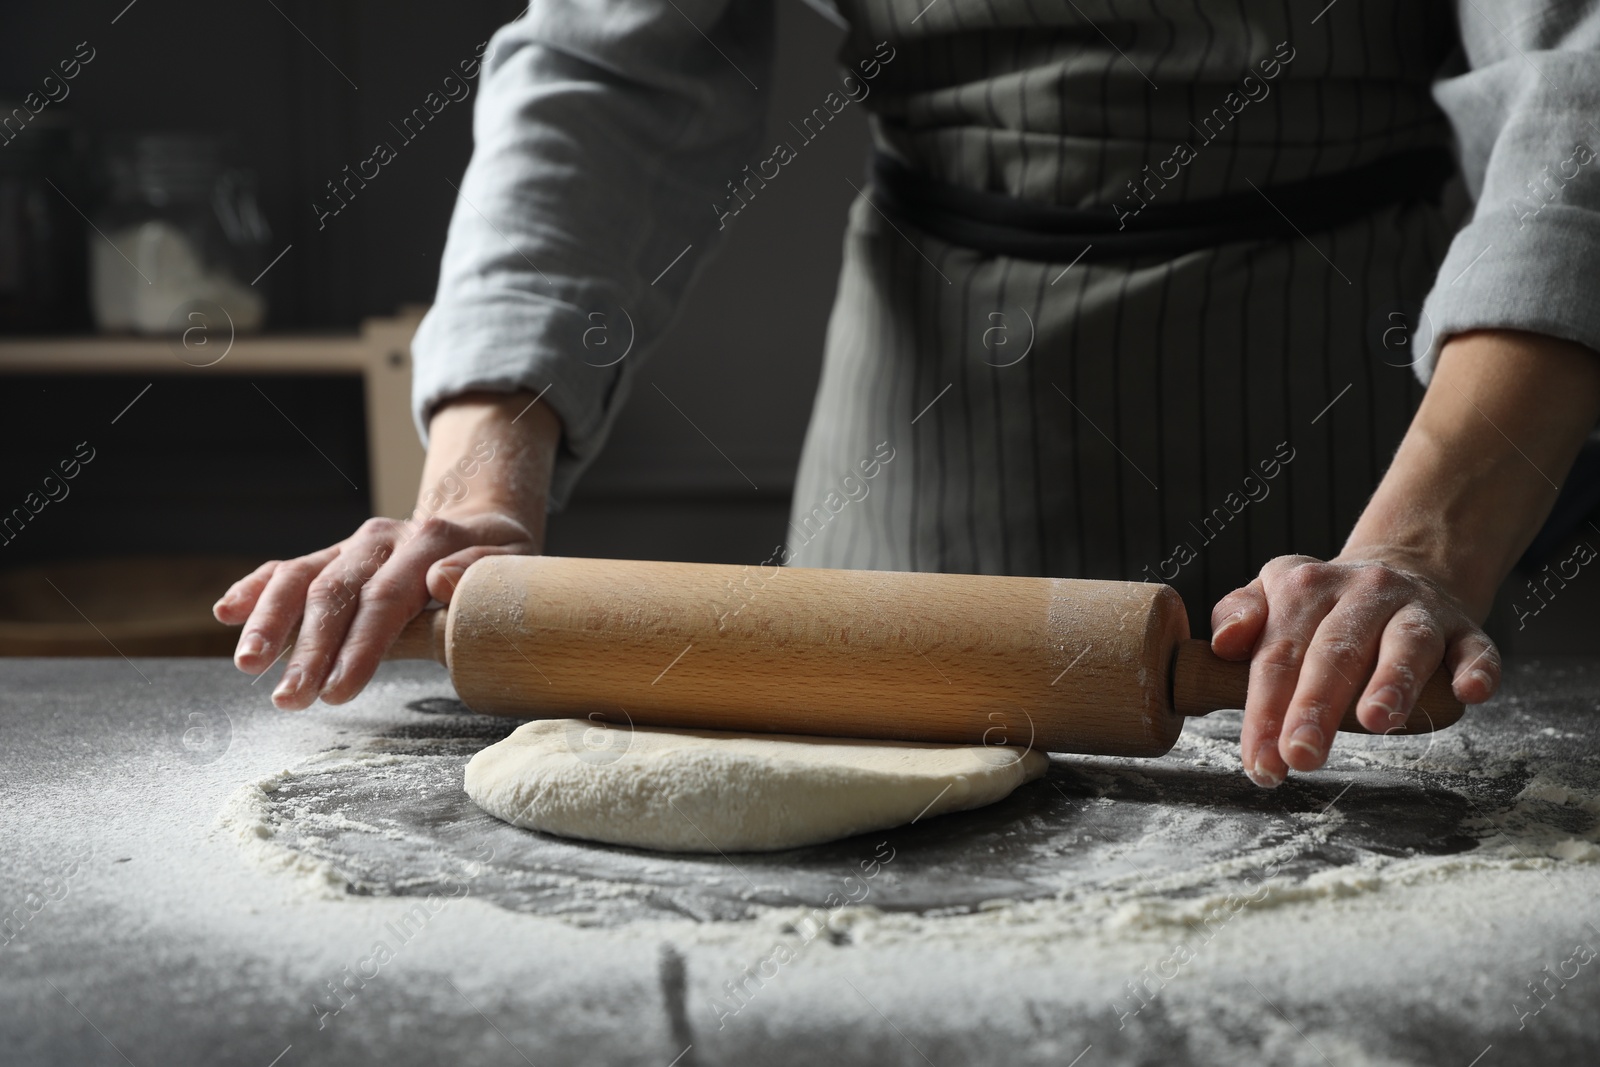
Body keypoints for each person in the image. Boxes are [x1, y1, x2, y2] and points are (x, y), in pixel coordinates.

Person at [216, 0, 1600, 789]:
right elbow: (604, 74)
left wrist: (1423, 548)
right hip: (939, 405)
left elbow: (1581, 81)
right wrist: (473, 495)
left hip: (1395, 394)